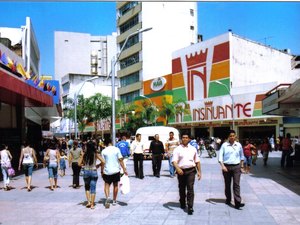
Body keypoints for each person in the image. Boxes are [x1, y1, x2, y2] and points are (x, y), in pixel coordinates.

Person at [172, 132, 201, 215]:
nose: (184, 139)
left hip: (191, 170)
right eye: (183, 137)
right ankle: (182, 202)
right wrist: (177, 169)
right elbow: (174, 161)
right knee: (181, 188)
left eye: (186, 137)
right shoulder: (177, 149)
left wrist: (199, 172)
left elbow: (197, 161)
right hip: (181, 171)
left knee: (190, 188)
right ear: (181, 139)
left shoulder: (193, 149)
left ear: (189, 139)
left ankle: (190, 206)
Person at [218, 130, 245, 209]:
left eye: (233, 135)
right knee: (227, 184)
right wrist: (223, 166)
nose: (232, 137)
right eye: (230, 136)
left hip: (236, 167)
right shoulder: (224, 145)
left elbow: (242, 156)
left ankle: (237, 202)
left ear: (235, 136)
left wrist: (242, 166)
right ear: (228, 137)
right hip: (226, 167)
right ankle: (228, 199)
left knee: (236, 185)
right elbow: (220, 157)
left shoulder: (238, 145)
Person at [101, 139, 127, 209]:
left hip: (107, 171)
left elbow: (103, 162)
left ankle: (108, 197)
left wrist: (102, 171)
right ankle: (114, 200)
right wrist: (124, 169)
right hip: (116, 170)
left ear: (105, 144)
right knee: (115, 185)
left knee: (107, 185)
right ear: (111, 142)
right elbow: (120, 160)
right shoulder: (117, 149)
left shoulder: (104, 151)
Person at [78, 140, 105, 209]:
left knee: (87, 187)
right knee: (93, 188)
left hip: (86, 171)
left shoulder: (84, 154)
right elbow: (103, 161)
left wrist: (84, 164)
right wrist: (98, 165)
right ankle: (92, 204)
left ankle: (89, 202)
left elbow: (79, 164)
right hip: (93, 171)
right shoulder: (95, 154)